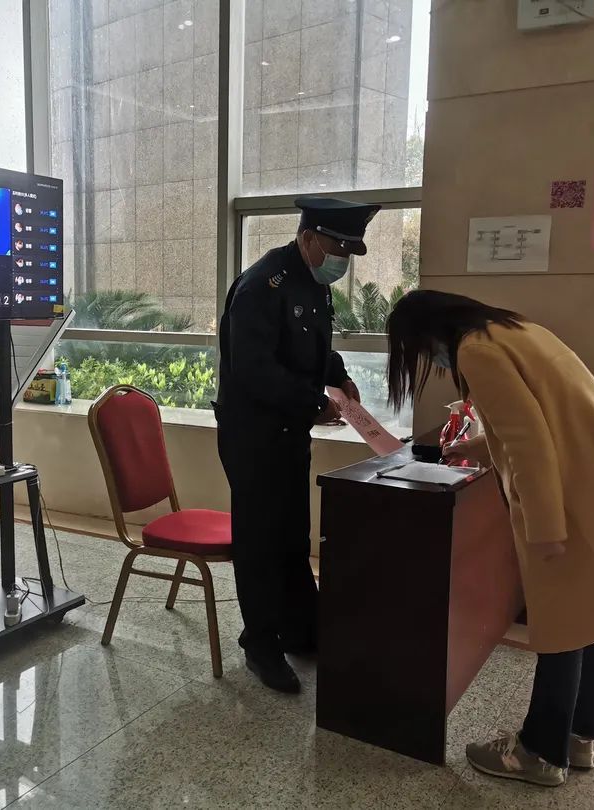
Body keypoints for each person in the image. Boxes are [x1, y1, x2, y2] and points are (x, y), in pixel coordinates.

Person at [385, 289, 594, 786]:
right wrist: (475, 448)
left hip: (575, 499)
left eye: (421, 351)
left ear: (429, 333)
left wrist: (546, 528)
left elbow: (529, 442)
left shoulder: (476, 351)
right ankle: (578, 735)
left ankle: (541, 753)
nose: (432, 362)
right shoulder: (515, 330)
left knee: (565, 623)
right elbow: (536, 421)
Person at [216, 195, 380, 693]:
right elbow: (254, 369)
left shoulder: (312, 282)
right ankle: (261, 644)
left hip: (289, 433)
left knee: (292, 535)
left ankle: (301, 629)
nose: (341, 260)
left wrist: (339, 377)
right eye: (337, 249)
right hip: (254, 436)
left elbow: (315, 346)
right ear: (308, 237)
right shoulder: (261, 285)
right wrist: (313, 402)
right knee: (260, 541)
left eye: (348, 252)